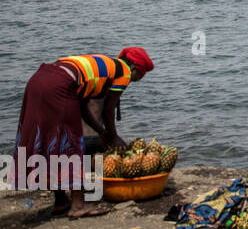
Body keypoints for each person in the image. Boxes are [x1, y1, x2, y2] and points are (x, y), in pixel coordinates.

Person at [13, 47, 154, 217]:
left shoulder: (102, 67)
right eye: (139, 76)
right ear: (134, 68)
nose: (135, 80)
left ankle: (60, 200)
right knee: (72, 142)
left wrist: (102, 133)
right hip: (60, 86)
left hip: (38, 81)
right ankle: (78, 205)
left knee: (48, 140)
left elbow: (82, 107)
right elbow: (108, 110)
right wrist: (113, 137)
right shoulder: (123, 72)